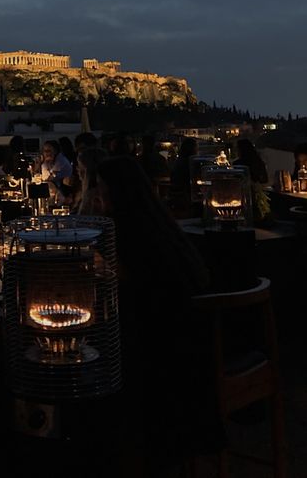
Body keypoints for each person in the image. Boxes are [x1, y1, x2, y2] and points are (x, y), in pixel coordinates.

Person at [95, 155, 220, 470]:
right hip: (198, 353)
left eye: (103, 193)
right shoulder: (162, 228)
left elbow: (130, 293)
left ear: (119, 195)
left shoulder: (130, 235)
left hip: (170, 369)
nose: (100, 201)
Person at [168, 137, 198, 217]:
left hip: (178, 196)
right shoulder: (189, 163)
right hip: (186, 197)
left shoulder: (179, 161)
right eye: (196, 147)